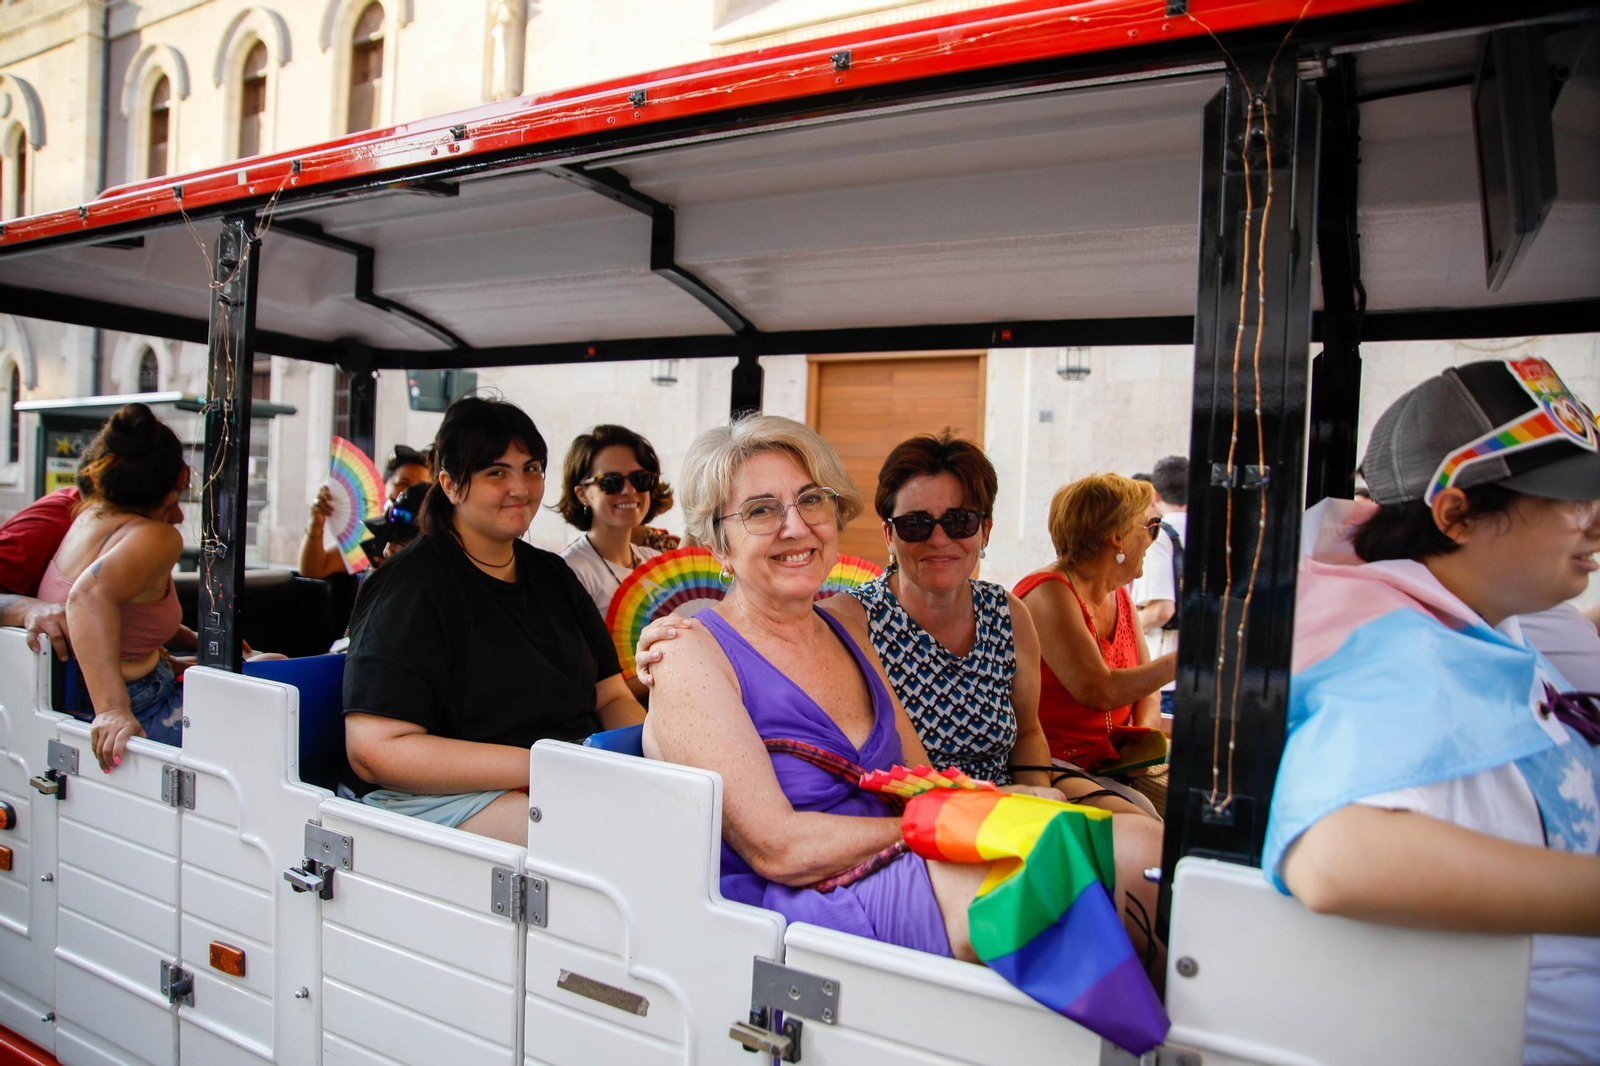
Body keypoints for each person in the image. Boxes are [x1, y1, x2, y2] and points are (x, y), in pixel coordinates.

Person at [642, 414, 1162, 963]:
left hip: (908, 856)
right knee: (1048, 881)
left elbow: (924, 783)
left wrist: (1014, 803)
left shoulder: (848, 627)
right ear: (719, 543)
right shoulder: (686, 650)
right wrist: (953, 824)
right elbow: (779, 849)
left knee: (1143, 850)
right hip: (809, 899)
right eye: (761, 510)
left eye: (812, 500)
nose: (795, 527)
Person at [1265, 358, 1600, 1064]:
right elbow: (1335, 859)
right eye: (1571, 501)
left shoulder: (1477, 628)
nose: (1594, 524)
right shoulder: (1403, 650)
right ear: (1456, 515)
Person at [342, 398, 645, 844]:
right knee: (603, 842)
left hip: (569, 778)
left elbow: (612, 695)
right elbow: (374, 751)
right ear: (450, 484)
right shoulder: (410, 585)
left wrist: (649, 763)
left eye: (532, 468)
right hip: (447, 798)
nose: (520, 488)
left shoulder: (554, 575)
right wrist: (546, 766)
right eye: (496, 473)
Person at [835, 432, 1058, 790]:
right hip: (905, 814)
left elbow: (1029, 733)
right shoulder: (856, 619)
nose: (939, 540)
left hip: (1008, 805)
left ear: (985, 531)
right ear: (889, 535)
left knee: (1136, 820)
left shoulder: (1008, 615)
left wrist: (1038, 801)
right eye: (915, 524)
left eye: (960, 522)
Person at [35, 404, 188, 772]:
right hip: (139, 704)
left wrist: (193, 646)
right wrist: (113, 709)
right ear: (178, 481)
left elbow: (129, 618)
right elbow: (87, 597)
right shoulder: (156, 536)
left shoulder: (89, 517)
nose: (180, 516)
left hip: (88, 693)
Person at [1014, 475, 1175, 803]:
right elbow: (1099, 690)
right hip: (1052, 764)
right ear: (1117, 537)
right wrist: (1186, 661)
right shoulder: (1049, 592)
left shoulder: (1120, 595)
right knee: (1157, 817)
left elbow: (1147, 689)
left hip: (1111, 765)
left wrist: (1140, 747)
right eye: (1150, 527)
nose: (1152, 539)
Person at [557, 424, 674, 617]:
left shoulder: (655, 562)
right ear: (582, 494)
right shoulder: (570, 571)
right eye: (611, 481)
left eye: (640, 478)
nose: (629, 490)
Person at [298, 444, 431, 579]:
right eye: (404, 483)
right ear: (385, 486)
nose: (410, 492)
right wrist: (316, 522)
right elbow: (314, 569)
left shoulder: (431, 541)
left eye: (420, 486)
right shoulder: (375, 537)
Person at [1131, 456, 1187, 716]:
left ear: (1155, 494)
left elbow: (1161, 610)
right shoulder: (1213, 532)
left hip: (1165, 672)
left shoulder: (1160, 534)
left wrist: (1124, 624)